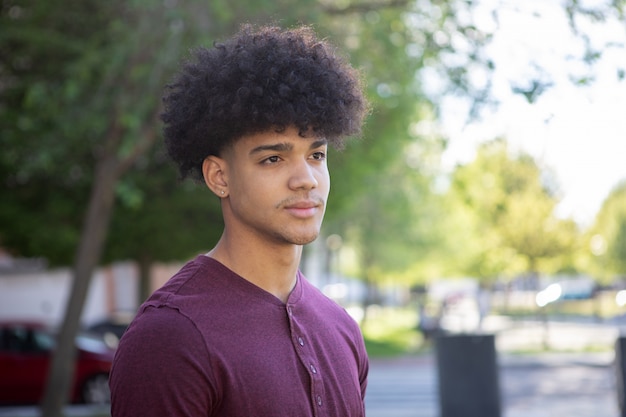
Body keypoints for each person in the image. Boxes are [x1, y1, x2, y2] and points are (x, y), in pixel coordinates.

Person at [109, 24, 370, 417]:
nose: (306, 179)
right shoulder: (169, 338)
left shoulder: (341, 329)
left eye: (316, 155)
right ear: (220, 177)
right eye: (273, 159)